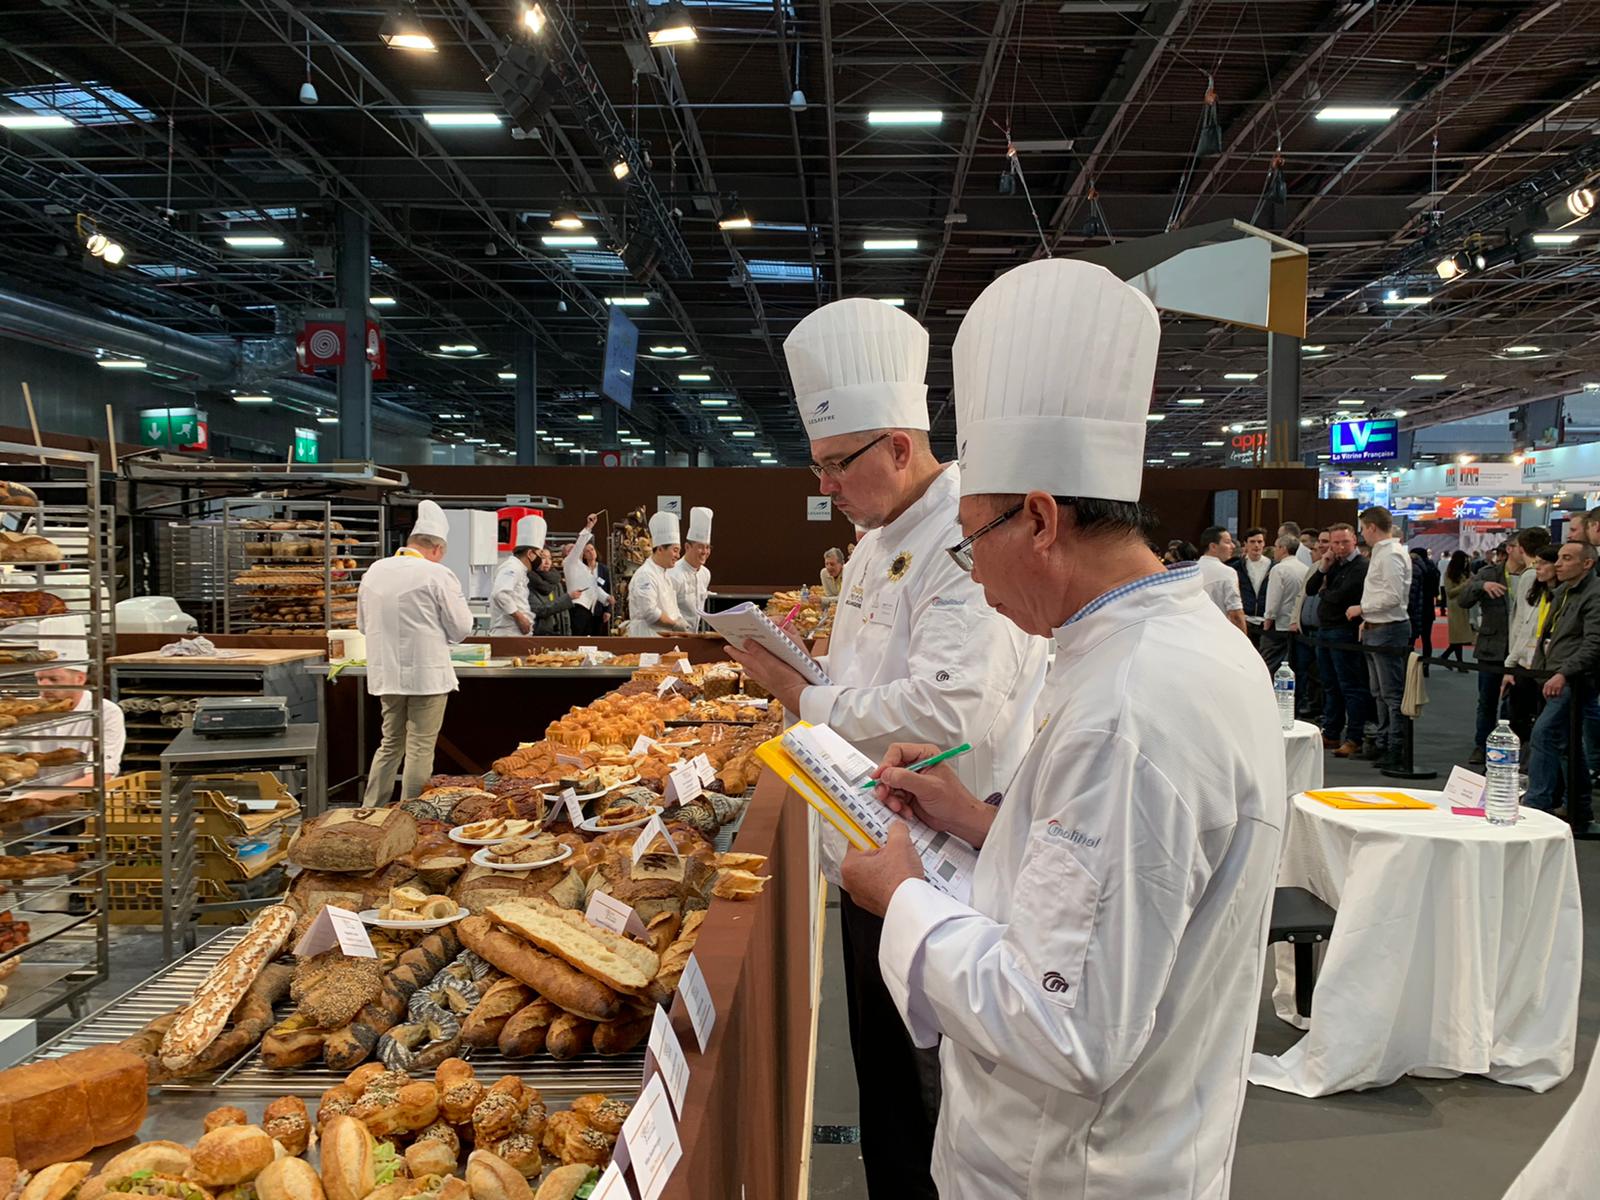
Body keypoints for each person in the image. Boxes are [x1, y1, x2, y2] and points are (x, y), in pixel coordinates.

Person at [838, 257, 1285, 1200]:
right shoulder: (1168, 644)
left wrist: (902, 897)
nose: (974, 577)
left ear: (1039, 519)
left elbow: (1064, 1023)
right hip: (1129, 1138)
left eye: (971, 542)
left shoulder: (1133, 706)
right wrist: (977, 820)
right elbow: (1128, 885)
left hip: (1072, 1166)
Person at [727, 295, 1049, 1200]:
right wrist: (805, 669)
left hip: (943, 858)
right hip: (868, 846)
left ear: (900, 447)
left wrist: (804, 692)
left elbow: (953, 713)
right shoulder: (874, 540)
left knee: (930, 1102)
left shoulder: (960, 534)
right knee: (883, 1087)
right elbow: (857, 667)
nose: (825, 485)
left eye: (837, 465)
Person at [357, 500, 473, 807]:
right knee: (421, 746)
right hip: (427, 676)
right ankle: (410, 816)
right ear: (437, 548)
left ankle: (372, 810)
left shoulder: (374, 571)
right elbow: (462, 628)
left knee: (390, 744)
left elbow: (362, 625)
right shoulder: (437, 574)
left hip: (387, 675)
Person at [1523, 541, 1600, 829]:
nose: (1558, 563)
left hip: (1573, 679)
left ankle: (1536, 806)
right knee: (1567, 744)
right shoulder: (1563, 592)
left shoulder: (1594, 594)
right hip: (1552, 675)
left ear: (1587, 564)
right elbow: (1550, 636)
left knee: (1544, 734)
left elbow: (1593, 644)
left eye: (1566, 559)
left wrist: (1563, 673)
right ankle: (1578, 807)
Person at [1350, 507, 1412, 769]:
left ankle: (1395, 747)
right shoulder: (1383, 553)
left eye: (1363, 528)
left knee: (1391, 694)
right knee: (1378, 692)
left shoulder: (1392, 555)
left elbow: (1393, 597)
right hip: (1378, 627)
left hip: (1389, 628)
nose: (1362, 533)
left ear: (1372, 527)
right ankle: (1384, 742)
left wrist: (1362, 609)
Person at [1306, 523, 1373, 758]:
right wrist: (1323, 567)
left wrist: (1326, 592)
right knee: (1330, 685)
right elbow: (1311, 589)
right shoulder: (1332, 564)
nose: (1340, 547)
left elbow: (1340, 596)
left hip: (1345, 631)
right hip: (1325, 630)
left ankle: (1355, 737)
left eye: (1344, 542)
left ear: (1354, 540)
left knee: (1350, 686)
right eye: (1335, 542)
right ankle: (1331, 732)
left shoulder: (1361, 566)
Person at [30, 614, 124, 780]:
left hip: (83, 802)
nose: (44, 686)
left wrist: (37, 798)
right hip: (19, 802)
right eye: (39, 678)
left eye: (54, 679)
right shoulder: (24, 714)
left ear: (80, 679)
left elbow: (99, 777)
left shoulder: (106, 712)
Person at [1461, 531, 1527, 764]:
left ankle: (1511, 747)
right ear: (1510, 549)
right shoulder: (1489, 572)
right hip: (1492, 646)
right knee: (1487, 700)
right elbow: (1463, 599)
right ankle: (1482, 744)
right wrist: (1481, 585)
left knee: (1515, 702)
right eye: (1521, 546)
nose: (1524, 551)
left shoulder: (1534, 575)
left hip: (1521, 648)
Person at [1504, 535, 1557, 756]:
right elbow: (1524, 628)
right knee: (1517, 719)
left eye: (1544, 563)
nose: (1538, 568)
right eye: (1537, 563)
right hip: (1525, 664)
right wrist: (1510, 664)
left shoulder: (1563, 597)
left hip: (1550, 668)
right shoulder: (1537, 592)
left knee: (1547, 728)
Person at [626, 511, 688, 637]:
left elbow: (671, 607)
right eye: (675, 550)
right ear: (660, 549)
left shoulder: (665, 575)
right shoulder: (646, 575)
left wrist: (680, 620)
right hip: (647, 639)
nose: (678, 556)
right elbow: (649, 612)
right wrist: (674, 625)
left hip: (664, 639)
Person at [488, 514, 545, 635]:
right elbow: (500, 593)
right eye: (540, 553)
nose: (541, 558)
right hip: (507, 633)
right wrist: (520, 618)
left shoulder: (520, 569)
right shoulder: (512, 567)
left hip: (515, 633)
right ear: (530, 554)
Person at [1260, 533, 1309, 673]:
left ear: (1283, 548)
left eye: (1276, 547)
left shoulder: (1278, 569)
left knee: (1269, 665)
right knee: (1291, 665)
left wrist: (1268, 620)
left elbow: (1273, 598)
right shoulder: (1305, 568)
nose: (1274, 550)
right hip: (1296, 624)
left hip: (1278, 625)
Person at [562, 514, 609, 637]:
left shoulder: (583, 567)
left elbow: (593, 587)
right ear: (567, 554)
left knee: (588, 642)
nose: (576, 549)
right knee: (579, 641)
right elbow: (579, 545)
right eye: (570, 549)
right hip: (578, 608)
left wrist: (605, 598)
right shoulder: (569, 562)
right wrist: (589, 527)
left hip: (589, 610)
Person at [669, 507, 713, 631]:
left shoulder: (705, 574)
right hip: (674, 634)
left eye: (707, 547)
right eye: (700, 547)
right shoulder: (674, 573)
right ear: (687, 547)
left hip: (694, 634)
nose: (705, 552)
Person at [1197, 526, 1247, 633]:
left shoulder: (1192, 570)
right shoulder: (1227, 572)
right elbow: (1235, 613)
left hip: (1196, 630)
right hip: (1219, 631)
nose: (1233, 546)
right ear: (1213, 546)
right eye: (1228, 542)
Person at [1234, 527, 1271, 648]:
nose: (1256, 545)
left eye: (1260, 542)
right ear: (1245, 544)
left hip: (1264, 619)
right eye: (1252, 542)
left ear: (1264, 544)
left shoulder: (1273, 566)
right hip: (1245, 618)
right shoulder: (1237, 567)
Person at [529, 546, 578, 635]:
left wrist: (568, 633)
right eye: (543, 558)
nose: (547, 562)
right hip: (540, 635)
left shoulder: (555, 581)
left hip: (560, 633)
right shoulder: (529, 582)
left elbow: (564, 614)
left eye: (550, 558)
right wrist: (567, 598)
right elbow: (539, 610)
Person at [1408, 544, 1440, 657]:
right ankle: (1426, 665)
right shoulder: (1434, 569)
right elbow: (1436, 592)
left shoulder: (1414, 569)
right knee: (1426, 639)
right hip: (1428, 607)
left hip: (1416, 607)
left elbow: (1412, 592)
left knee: (1410, 639)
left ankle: (1409, 667)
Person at [1442, 550, 1474, 663]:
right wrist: (1465, 584)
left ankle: (1447, 658)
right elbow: (1450, 592)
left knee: (1459, 637)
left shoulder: (1465, 572)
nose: (1466, 563)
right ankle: (1458, 662)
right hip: (1455, 607)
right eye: (1464, 561)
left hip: (1464, 606)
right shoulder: (1449, 573)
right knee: (1457, 637)